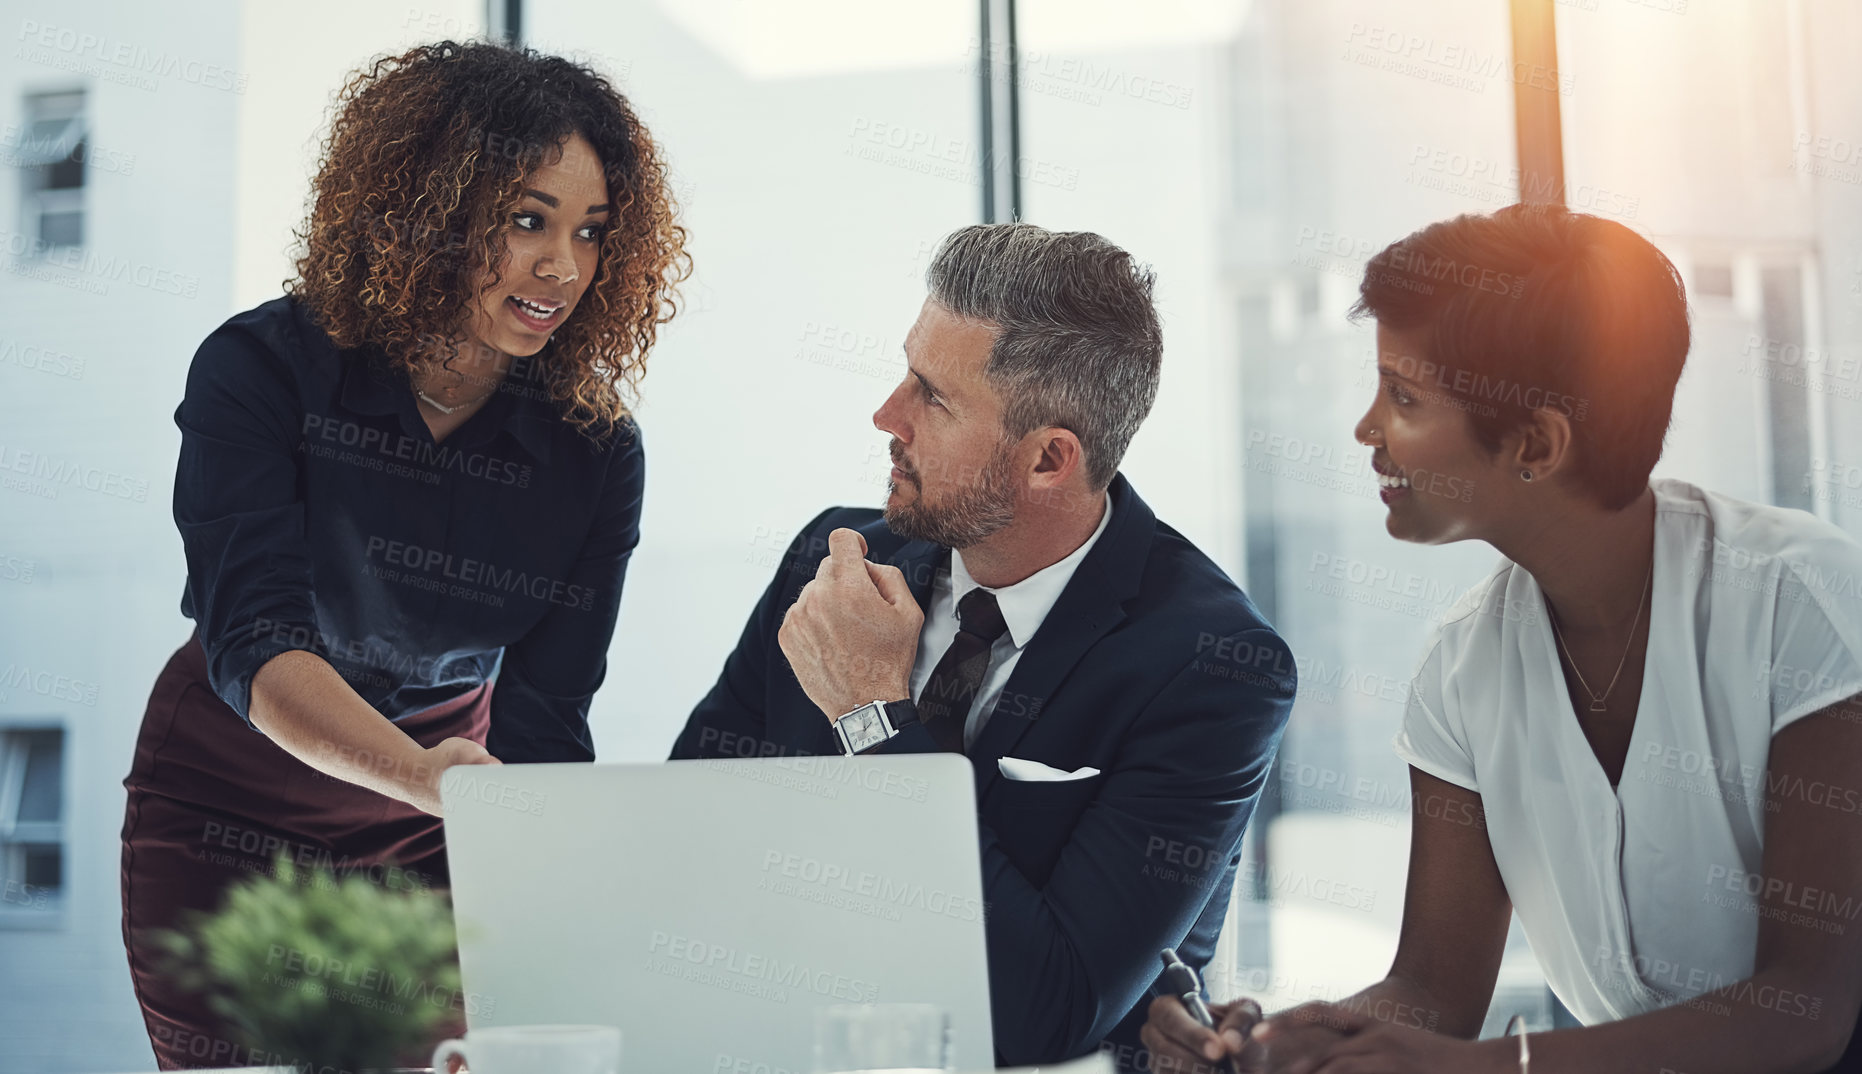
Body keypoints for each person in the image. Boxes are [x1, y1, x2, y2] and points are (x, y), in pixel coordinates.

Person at [1141, 204, 1862, 1074]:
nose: (1367, 430)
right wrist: (1279, 1041)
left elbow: (1808, 1012)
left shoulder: (1800, 598)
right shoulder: (1461, 667)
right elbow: (1434, 996)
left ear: (1536, 443)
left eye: (1403, 398)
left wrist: (1497, 1069)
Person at [119, 40, 689, 1070]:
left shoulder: (594, 450)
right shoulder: (259, 371)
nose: (561, 268)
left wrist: (549, 905)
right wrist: (429, 779)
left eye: (591, 232)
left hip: (440, 827)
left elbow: (545, 722)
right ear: (427, 207)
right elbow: (254, 641)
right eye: (526, 219)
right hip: (230, 813)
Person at [670, 222, 1298, 1070]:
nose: (887, 415)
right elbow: (682, 853)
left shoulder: (1212, 667)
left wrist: (871, 712)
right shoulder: (832, 567)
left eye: (931, 396)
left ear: (1048, 460)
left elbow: (1047, 1013)